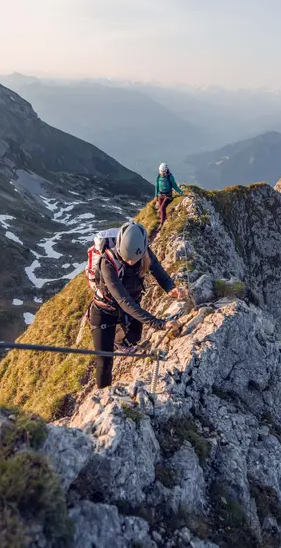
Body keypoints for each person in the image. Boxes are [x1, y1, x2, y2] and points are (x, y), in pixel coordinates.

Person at [87, 221, 187, 390]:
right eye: (127, 259)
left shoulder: (144, 252)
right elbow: (124, 301)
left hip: (130, 306)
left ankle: (117, 341)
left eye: (134, 259)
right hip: (104, 311)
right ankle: (104, 396)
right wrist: (160, 324)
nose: (131, 263)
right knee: (104, 363)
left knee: (134, 338)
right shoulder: (107, 263)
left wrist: (170, 288)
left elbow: (158, 270)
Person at [155, 162, 184, 229]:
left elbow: (174, 186)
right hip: (160, 195)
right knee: (161, 209)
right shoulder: (158, 176)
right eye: (161, 172)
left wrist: (180, 192)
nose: (162, 174)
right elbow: (156, 186)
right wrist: (156, 195)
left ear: (166, 170)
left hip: (168, 195)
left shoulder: (170, 177)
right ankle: (162, 219)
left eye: (164, 172)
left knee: (162, 207)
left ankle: (162, 223)